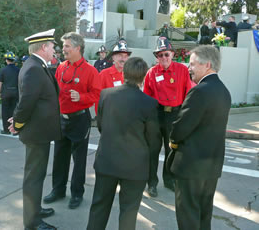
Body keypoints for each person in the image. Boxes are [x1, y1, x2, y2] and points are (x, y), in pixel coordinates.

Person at [87, 57, 160, 230]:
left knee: (99, 207)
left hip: (107, 161)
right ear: (143, 77)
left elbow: (102, 125)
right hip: (135, 166)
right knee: (129, 211)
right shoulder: (149, 103)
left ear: (124, 73)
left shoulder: (106, 95)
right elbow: (153, 140)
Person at [169, 45, 231, 230]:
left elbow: (181, 128)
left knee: (188, 216)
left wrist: (173, 138)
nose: (189, 68)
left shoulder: (199, 91)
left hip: (191, 167)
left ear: (208, 65)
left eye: (193, 64)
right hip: (211, 167)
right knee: (204, 215)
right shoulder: (224, 91)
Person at [8, 29, 61, 230]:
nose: (54, 49)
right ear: (43, 47)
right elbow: (26, 103)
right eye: (52, 46)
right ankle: (32, 222)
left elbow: (32, 101)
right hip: (36, 134)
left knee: (37, 176)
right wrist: (18, 123)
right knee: (34, 178)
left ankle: (35, 209)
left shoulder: (37, 65)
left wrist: (19, 120)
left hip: (40, 132)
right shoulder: (33, 68)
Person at [43, 32, 101, 210]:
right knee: (59, 156)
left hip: (79, 120)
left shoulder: (91, 71)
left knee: (79, 159)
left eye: (67, 46)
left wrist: (82, 97)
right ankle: (58, 190)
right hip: (61, 119)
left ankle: (77, 193)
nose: (63, 49)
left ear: (78, 48)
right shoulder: (61, 67)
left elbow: (97, 94)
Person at [143, 37, 191, 196]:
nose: (163, 58)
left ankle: (169, 180)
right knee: (153, 150)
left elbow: (187, 94)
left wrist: (184, 117)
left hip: (175, 115)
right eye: (160, 55)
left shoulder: (182, 70)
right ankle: (151, 182)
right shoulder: (152, 72)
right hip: (156, 116)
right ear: (156, 57)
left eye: (166, 54)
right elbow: (146, 97)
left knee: (171, 150)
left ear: (172, 54)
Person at [0, 51, 20, 134]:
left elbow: (0, 83)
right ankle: (16, 130)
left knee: (5, 112)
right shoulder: (18, 70)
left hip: (6, 93)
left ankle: (6, 130)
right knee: (15, 111)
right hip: (16, 92)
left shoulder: (3, 70)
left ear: (6, 60)